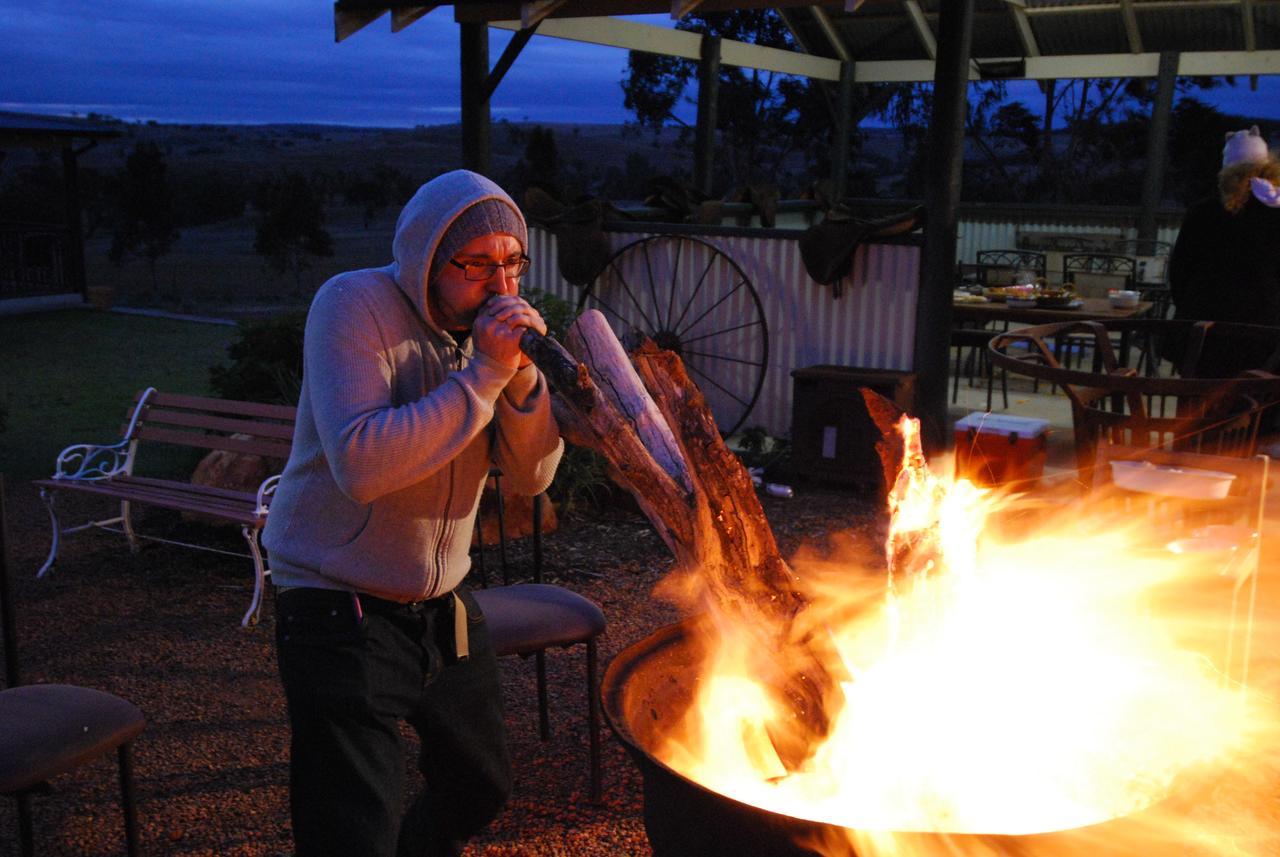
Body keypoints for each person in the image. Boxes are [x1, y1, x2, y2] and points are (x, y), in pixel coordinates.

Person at [262, 169, 564, 857]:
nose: (501, 287)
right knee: (350, 826)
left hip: (440, 598)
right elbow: (363, 465)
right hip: (336, 596)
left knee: (480, 783)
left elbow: (532, 475)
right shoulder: (352, 306)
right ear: (429, 255)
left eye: (512, 263)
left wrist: (518, 378)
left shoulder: (488, 345)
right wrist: (484, 375)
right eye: (476, 265)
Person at [1166, 126, 1280, 377]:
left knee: (1198, 404)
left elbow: (1179, 272)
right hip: (1266, 337)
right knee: (1262, 405)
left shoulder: (1203, 213)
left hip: (1203, 333)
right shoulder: (1275, 214)